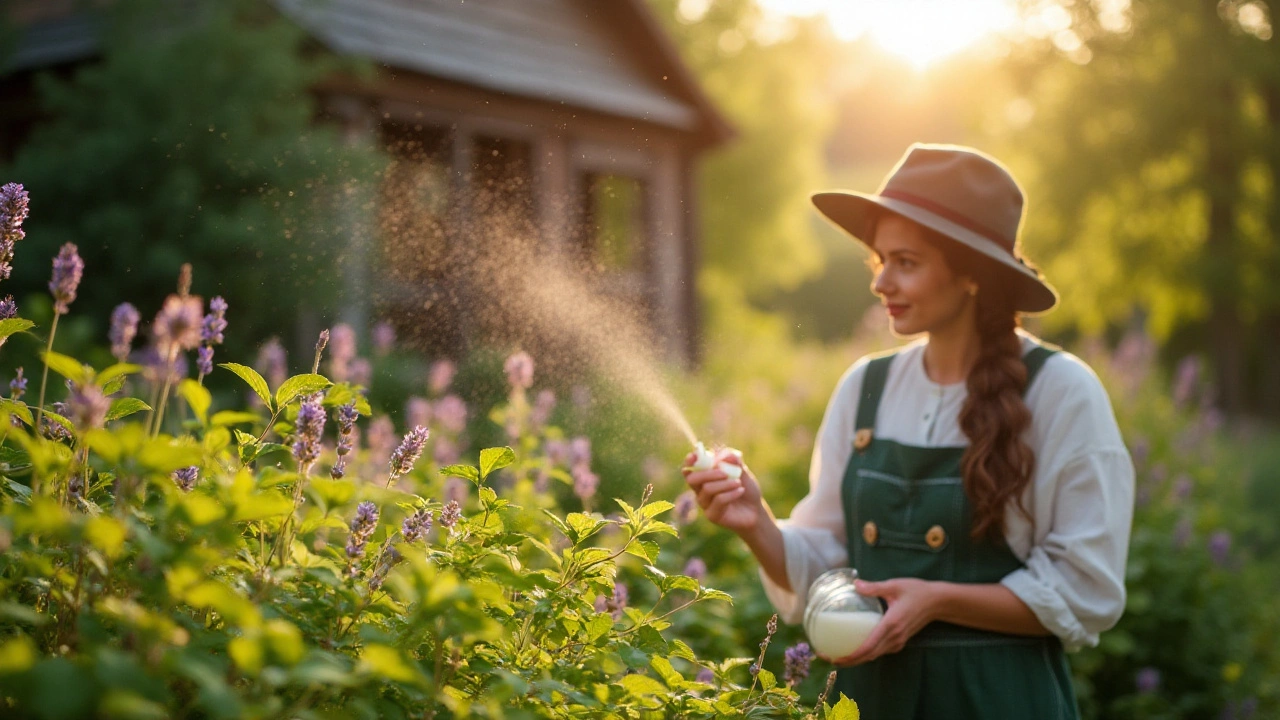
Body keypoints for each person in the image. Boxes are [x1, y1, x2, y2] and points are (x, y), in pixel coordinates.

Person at [683, 144, 1134, 719]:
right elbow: (827, 566)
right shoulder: (864, 387)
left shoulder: (1061, 391)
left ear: (971, 273)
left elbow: (1084, 588)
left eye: (907, 262)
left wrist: (937, 601)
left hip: (997, 700)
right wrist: (756, 523)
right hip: (869, 701)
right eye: (880, 260)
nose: (880, 283)